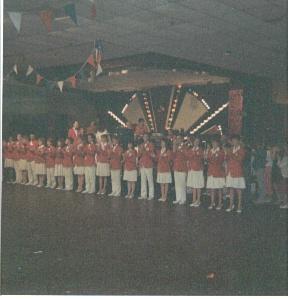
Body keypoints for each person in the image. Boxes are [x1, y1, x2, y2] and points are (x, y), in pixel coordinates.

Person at [225, 135, 246, 213]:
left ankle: (239, 206)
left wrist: (231, 154)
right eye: (232, 140)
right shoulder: (230, 149)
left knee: (238, 189)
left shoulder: (241, 149)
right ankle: (231, 205)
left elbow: (240, 159)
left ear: (238, 141)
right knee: (231, 189)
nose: (233, 142)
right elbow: (227, 159)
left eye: (235, 140)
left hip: (237, 171)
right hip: (230, 171)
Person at [206, 138, 226, 210]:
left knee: (219, 189)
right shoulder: (210, 151)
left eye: (215, 143)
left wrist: (213, 158)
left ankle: (220, 203)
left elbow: (220, 160)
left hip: (218, 172)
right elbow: (208, 159)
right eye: (213, 143)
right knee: (212, 188)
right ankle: (212, 202)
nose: (214, 144)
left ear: (218, 144)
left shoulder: (221, 151)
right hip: (211, 171)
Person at [186, 136, 204, 207]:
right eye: (195, 141)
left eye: (197, 141)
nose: (196, 143)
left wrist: (194, 154)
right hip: (192, 169)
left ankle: (198, 200)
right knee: (193, 185)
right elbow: (188, 156)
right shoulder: (191, 149)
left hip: (198, 170)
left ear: (199, 143)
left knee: (198, 185)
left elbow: (200, 158)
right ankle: (194, 200)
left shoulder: (200, 150)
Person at [138, 133, 155, 200]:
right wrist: (141, 149)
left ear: (148, 137)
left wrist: (145, 149)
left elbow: (151, 153)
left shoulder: (150, 144)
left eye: (146, 136)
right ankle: (143, 195)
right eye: (144, 137)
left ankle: (151, 195)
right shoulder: (141, 145)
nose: (144, 138)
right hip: (142, 164)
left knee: (150, 180)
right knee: (143, 180)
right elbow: (139, 155)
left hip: (148, 164)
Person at [172, 134, 188, 205]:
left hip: (182, 167)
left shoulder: (185, 146)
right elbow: (173, 155)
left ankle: (183, 199)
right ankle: (178, 198)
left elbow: (186, 155)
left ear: (181, 139)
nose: (177, 140)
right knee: (177, 184)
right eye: (177, 139)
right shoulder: (176, 147)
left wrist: (181, 149)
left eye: (179, 139)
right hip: (176, 167)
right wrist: (174, 146)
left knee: (182, 184)